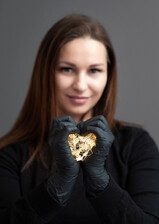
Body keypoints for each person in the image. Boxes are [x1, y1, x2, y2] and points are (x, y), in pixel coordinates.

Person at [0, 14, 159, 224]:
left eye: (94, 70)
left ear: (108, 76)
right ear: (46, 72)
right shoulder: (9, 155)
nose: (81, 85)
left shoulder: (137, 145)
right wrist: (58, 184)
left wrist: (101, 182)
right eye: (67, 69)